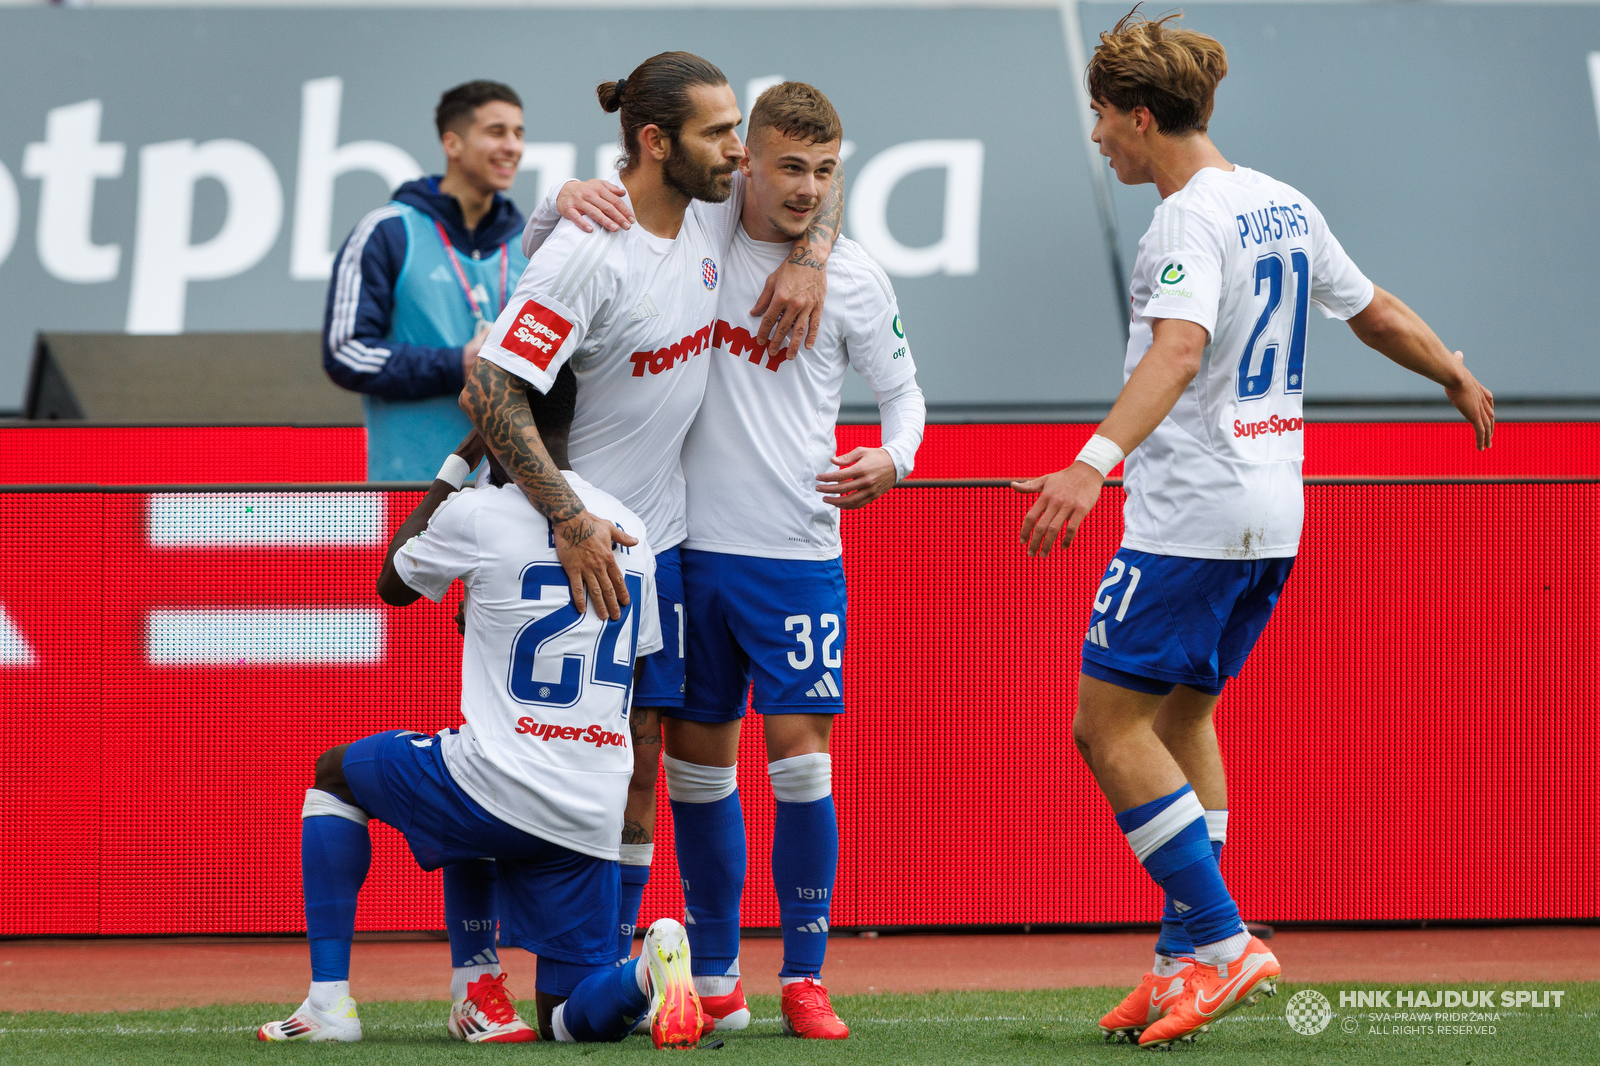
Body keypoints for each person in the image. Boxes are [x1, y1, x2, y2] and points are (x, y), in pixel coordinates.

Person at [1011, 9, 1494, 1049]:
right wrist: (1450, 366)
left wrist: (1090, 464)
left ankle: (1225, 942)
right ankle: (1179, 959)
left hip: (1191, 517)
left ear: (1141, 117)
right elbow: (1367, 309)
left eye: (1102, 119)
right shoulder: (1279, 202)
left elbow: (1177, 352)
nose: (1097, 140)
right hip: (1273, 515)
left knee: (1105, 726)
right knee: (1181, 722)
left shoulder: (1184, 220)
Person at [461, 51, 841, 1002]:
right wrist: (568, 516)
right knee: (533, 766)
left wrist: (809, 255)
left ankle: (598, 966)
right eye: (719, 134)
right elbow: (488, 383)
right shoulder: (591, 245)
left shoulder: (712, 210)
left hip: (657, 550)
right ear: (654, 142)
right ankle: (482, 971)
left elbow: (824, 183)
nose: (739, 150)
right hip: (564, 549)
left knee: (636, 770)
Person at [256, 386, 713, 1049]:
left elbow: (392, 583)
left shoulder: (476, 513)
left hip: (497, 781)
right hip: (588, 806)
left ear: (497, 426)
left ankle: (329, 1005)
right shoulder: (629, 528)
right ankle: (644, 973)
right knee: (567, 1019)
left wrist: (454, 466)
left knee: (336, 777)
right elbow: (636, 684)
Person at [653, 81, 923, 1041]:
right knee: (698, 768)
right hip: (687, 552)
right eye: (790, 168)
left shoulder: (851, 275)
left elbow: (905, 395)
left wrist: (895, 457)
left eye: (825, 170)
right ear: (748, 166)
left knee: (802, 762)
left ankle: (805, 976)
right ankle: (718, 977)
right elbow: (644, 179)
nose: (807, 187)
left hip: (796, 556)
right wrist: (571, 194)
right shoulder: (699, 231)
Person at [322, 80, 530, 481]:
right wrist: (455, 364)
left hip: (513, 494)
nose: (513, 147)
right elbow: (346, 352)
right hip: (412, 490)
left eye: (519, 134)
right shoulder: (388, 232)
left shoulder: (530, 244)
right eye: (496, 132)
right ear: (452, 144)